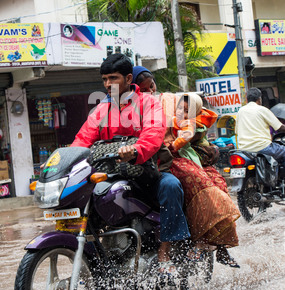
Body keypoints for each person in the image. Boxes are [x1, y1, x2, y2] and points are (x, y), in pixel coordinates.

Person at [71, 54, 190, 272]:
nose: (108, 84)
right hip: (111, 173)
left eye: (113, 78)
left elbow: (154, 134)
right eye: (104, 79)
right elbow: (82, 140)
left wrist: (136, 151)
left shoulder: (148, 104)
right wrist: (63, 160)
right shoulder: (100, 111)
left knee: (171, 186)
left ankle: (165, 253)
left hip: (147, 170)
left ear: (128, 79)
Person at [133, 66, 240, 267]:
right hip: (161, 161)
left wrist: (181, 142)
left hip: (180, 158)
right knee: (193, 180)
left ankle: (217, 244)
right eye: (143, 88)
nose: (149, 91)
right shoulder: (129, 110)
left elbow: (191, 126)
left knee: (215, 182)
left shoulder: (169, 103)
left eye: (151, 86)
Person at [236, 87, 285, 161]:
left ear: (247, 100)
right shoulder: (262, 110)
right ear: (259, 99)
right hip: (262, 147)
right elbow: (279, 127)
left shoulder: (240, 111)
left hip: (244, 149)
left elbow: (236, 131)